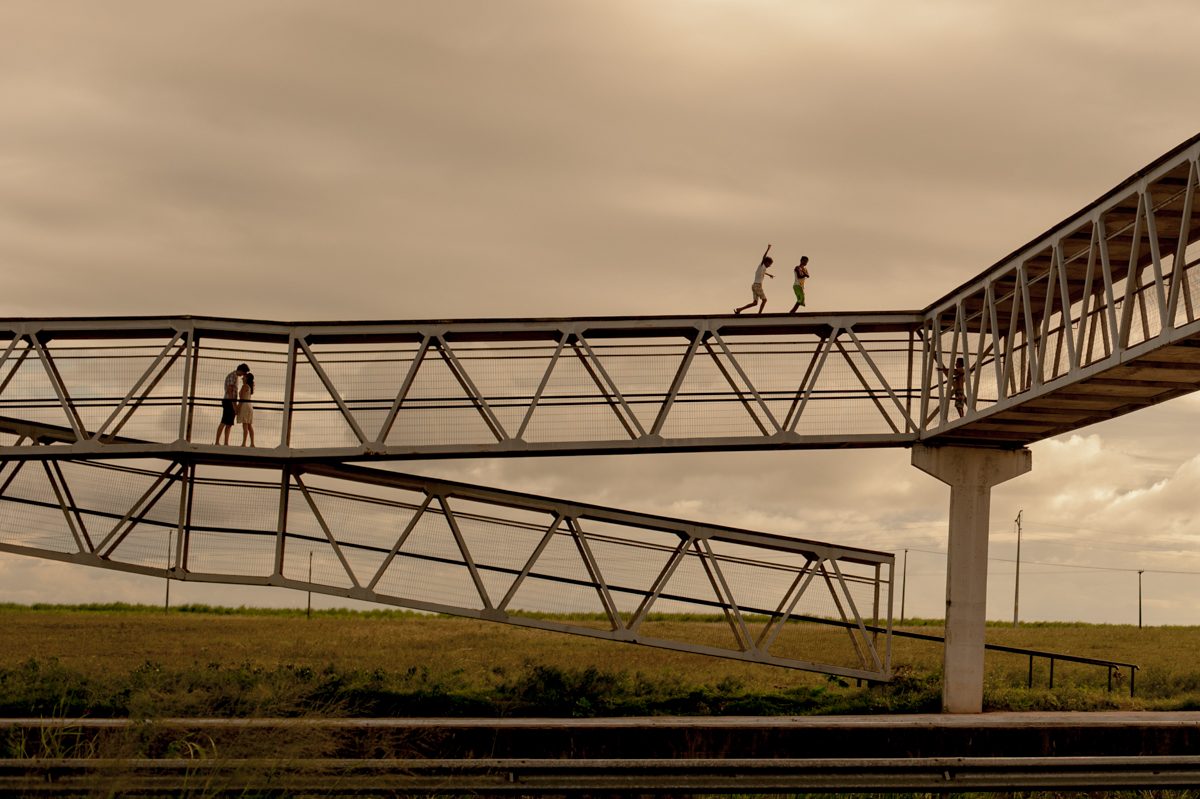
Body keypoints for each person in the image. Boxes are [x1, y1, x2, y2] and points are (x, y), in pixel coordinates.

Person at [214, 363, 248, 445]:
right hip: (229, 401)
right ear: (241, 370)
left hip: (231, 401)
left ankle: (226, 442)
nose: (243, 375)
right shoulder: (232, 376)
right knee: (224, 421)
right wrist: (233, 404)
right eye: (243, 373)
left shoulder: (235, 377)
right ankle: (217, 441)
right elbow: (230, 391)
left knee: (229, 423)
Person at [734, 245, 774, 314]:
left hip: (754, 286)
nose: (769, 266)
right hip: (757, 286)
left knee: (755, 303)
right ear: (766, 262)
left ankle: (739, 309)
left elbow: (763, 273)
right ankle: (759, 314)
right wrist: (768, 249)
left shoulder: (762, 269)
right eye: (769, 264)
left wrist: (769, 274)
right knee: (764, 300)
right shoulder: (762, 265)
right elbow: (763, 258)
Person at [236, 372, 255, 447]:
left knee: (245, 426)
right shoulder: (249, 387)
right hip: (249, 405)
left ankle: (244, 443)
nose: (242, 378)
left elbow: (242, 398)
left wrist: (238, 407)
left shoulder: (244, 386)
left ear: (247, 378)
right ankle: (252, 443)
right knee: (249, 425)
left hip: (244, 406)